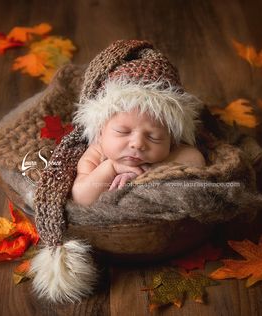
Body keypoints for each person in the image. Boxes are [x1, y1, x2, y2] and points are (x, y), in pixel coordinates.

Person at [70, 40, 206, 206]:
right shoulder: (96, 153)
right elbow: (81, 197)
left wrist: (148, 171)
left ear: (171, 138)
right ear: (100, 132)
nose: (138, 143)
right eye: (123, 132)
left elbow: (196, 160)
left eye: (154, 137)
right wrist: (111, 168)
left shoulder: (172, 149)